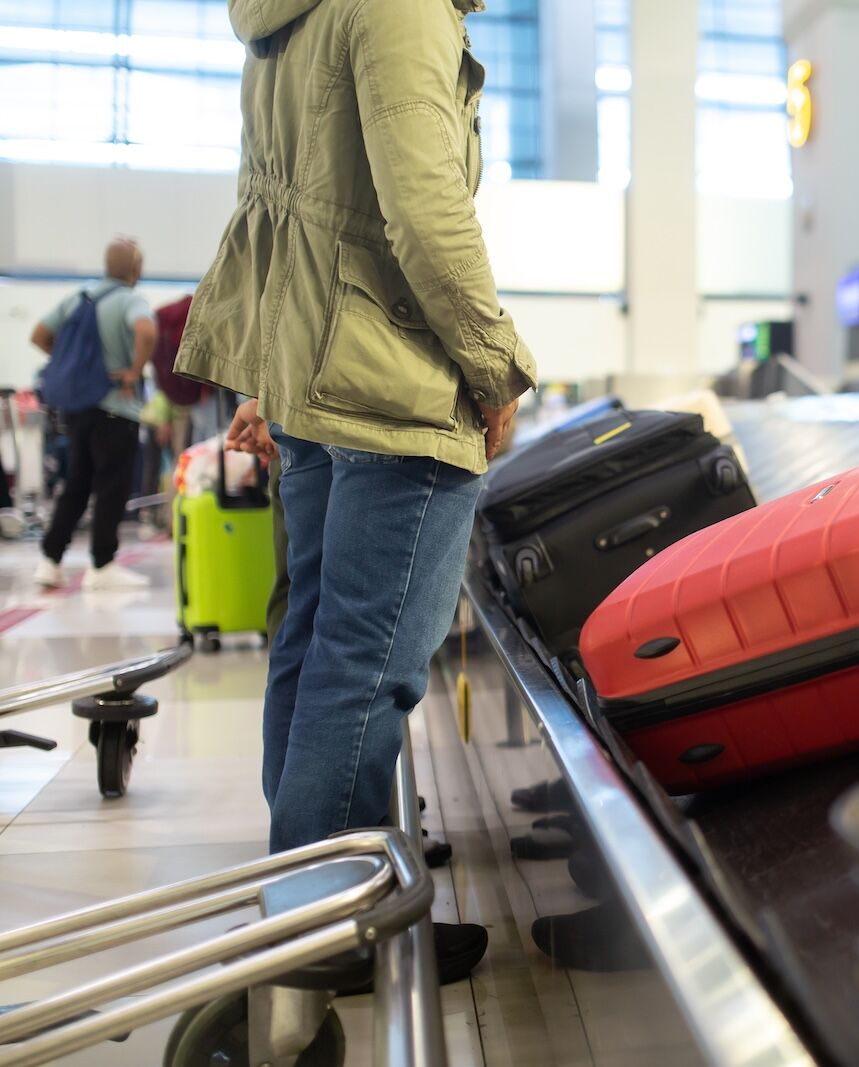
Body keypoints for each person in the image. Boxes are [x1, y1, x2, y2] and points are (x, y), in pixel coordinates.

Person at [182, 0, 536, 985]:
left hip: (316, 384)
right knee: (366, 660)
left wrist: (270, 375)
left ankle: (310, 884)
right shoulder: (399, 10)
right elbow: (423, 206)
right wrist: (493, 363)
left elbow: (271, 211)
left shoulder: (291, 16)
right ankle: (329, 928)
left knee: (312, 637)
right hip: (391, 382)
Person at [31, 238, 156, 591]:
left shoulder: (80, 297)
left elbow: (40, 334)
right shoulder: (130, 299)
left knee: (77, 484)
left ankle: (50, 560)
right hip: (116, 407)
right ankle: (103, 565)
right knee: (112, 486)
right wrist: (133, 370)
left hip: (80, 407)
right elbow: (145, 330)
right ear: (135, 269)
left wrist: (69, 365)